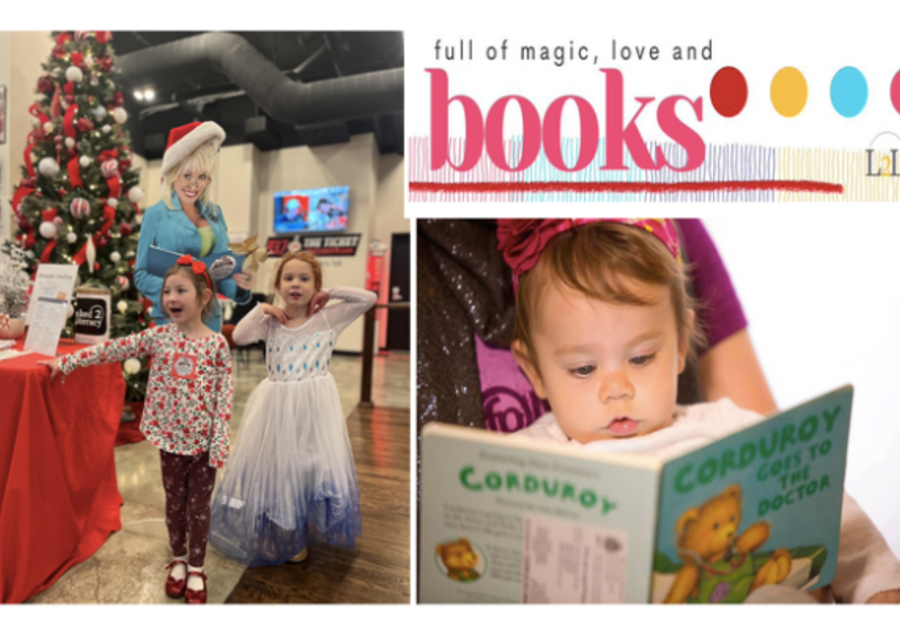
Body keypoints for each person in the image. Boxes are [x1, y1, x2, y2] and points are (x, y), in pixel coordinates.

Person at [496, 218, 900, 604]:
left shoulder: (725, 428)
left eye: (640, 358)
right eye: (584, 369)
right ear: (535, 370)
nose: (617, 388)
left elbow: (829, 513)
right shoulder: (520, 465)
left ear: (680, 343)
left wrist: (879, 590)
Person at [39, 256, 233, 604]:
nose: (171, 297)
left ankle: (197, 567)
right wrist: (66, 361)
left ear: (204, 297)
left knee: (200, 507)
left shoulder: (216, 345)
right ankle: (178, 559)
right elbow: (113, 349)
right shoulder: (158, 337)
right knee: (174, 503)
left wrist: (218, 443)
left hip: (203, 445)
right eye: (167, 291)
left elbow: (224, 396)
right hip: (170, 442)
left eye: (181, 290)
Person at [208, 251, 376, 566]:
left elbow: (369, 298)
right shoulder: (271, 321)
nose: (295, 284)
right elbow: (241, 336)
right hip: (277, 408)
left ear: (316, 286)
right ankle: (281, 527)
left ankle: (298, 525)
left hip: (313, 411)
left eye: (304, 279)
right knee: (278, 467)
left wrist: (332, 293)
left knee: (307, 467)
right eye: (288, 278)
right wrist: (262, 309)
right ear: (278, 284)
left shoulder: (327, 318)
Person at [134, 121, 256, 332]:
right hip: (173, 318)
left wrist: (240, 285)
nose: (194, 185)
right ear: (173, 173)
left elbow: (221, 272)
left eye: (202, 177)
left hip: (210, 318)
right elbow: (141, 274)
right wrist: (179, 294)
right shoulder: (156, 214)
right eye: (187, 176)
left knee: (208, 366)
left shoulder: (215, 213)